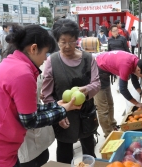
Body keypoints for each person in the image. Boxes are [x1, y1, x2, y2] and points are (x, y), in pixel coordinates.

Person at [0, 24, 81, 167]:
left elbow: (25, 110)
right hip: (3, 149)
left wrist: (56, 105)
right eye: (45, 53)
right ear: (34, 48)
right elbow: (30, 121)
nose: (45, 59)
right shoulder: (23, 74)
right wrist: (64, 110)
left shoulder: (9, 63)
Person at [41, 19, 100, 164]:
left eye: (71, 41)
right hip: (64, 116)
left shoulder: (88, 59)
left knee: (89, 150)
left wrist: (86, 89)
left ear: (77, 40)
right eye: (62, 42)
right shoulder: (52, 61)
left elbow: (97, 83)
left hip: (86, 114)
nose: (67, 46)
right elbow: (47, 94)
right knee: (64, 153)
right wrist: (58, 115)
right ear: (57, 41)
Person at [94, 51, 142, 137]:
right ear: (139, 70)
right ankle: (108, 134)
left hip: (104, 70)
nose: (141, 78)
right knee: (103, 108)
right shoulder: (126, 66)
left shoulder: (136, 62)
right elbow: (123, 89)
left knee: (110, 103)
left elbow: (134, 80)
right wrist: (137, 103)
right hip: (96, 70)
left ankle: (113, 125)